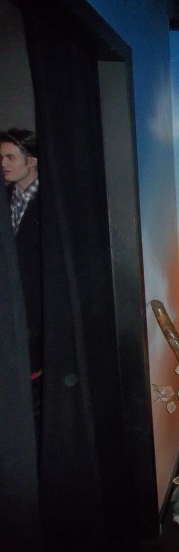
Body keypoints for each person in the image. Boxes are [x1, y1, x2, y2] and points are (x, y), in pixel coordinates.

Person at [0, 128, 42, 442]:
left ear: (32, 161)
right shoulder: (5, 198)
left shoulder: (51, 203)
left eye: (10, 157)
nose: (3, 164)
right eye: (1, 158)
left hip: (37, 307)